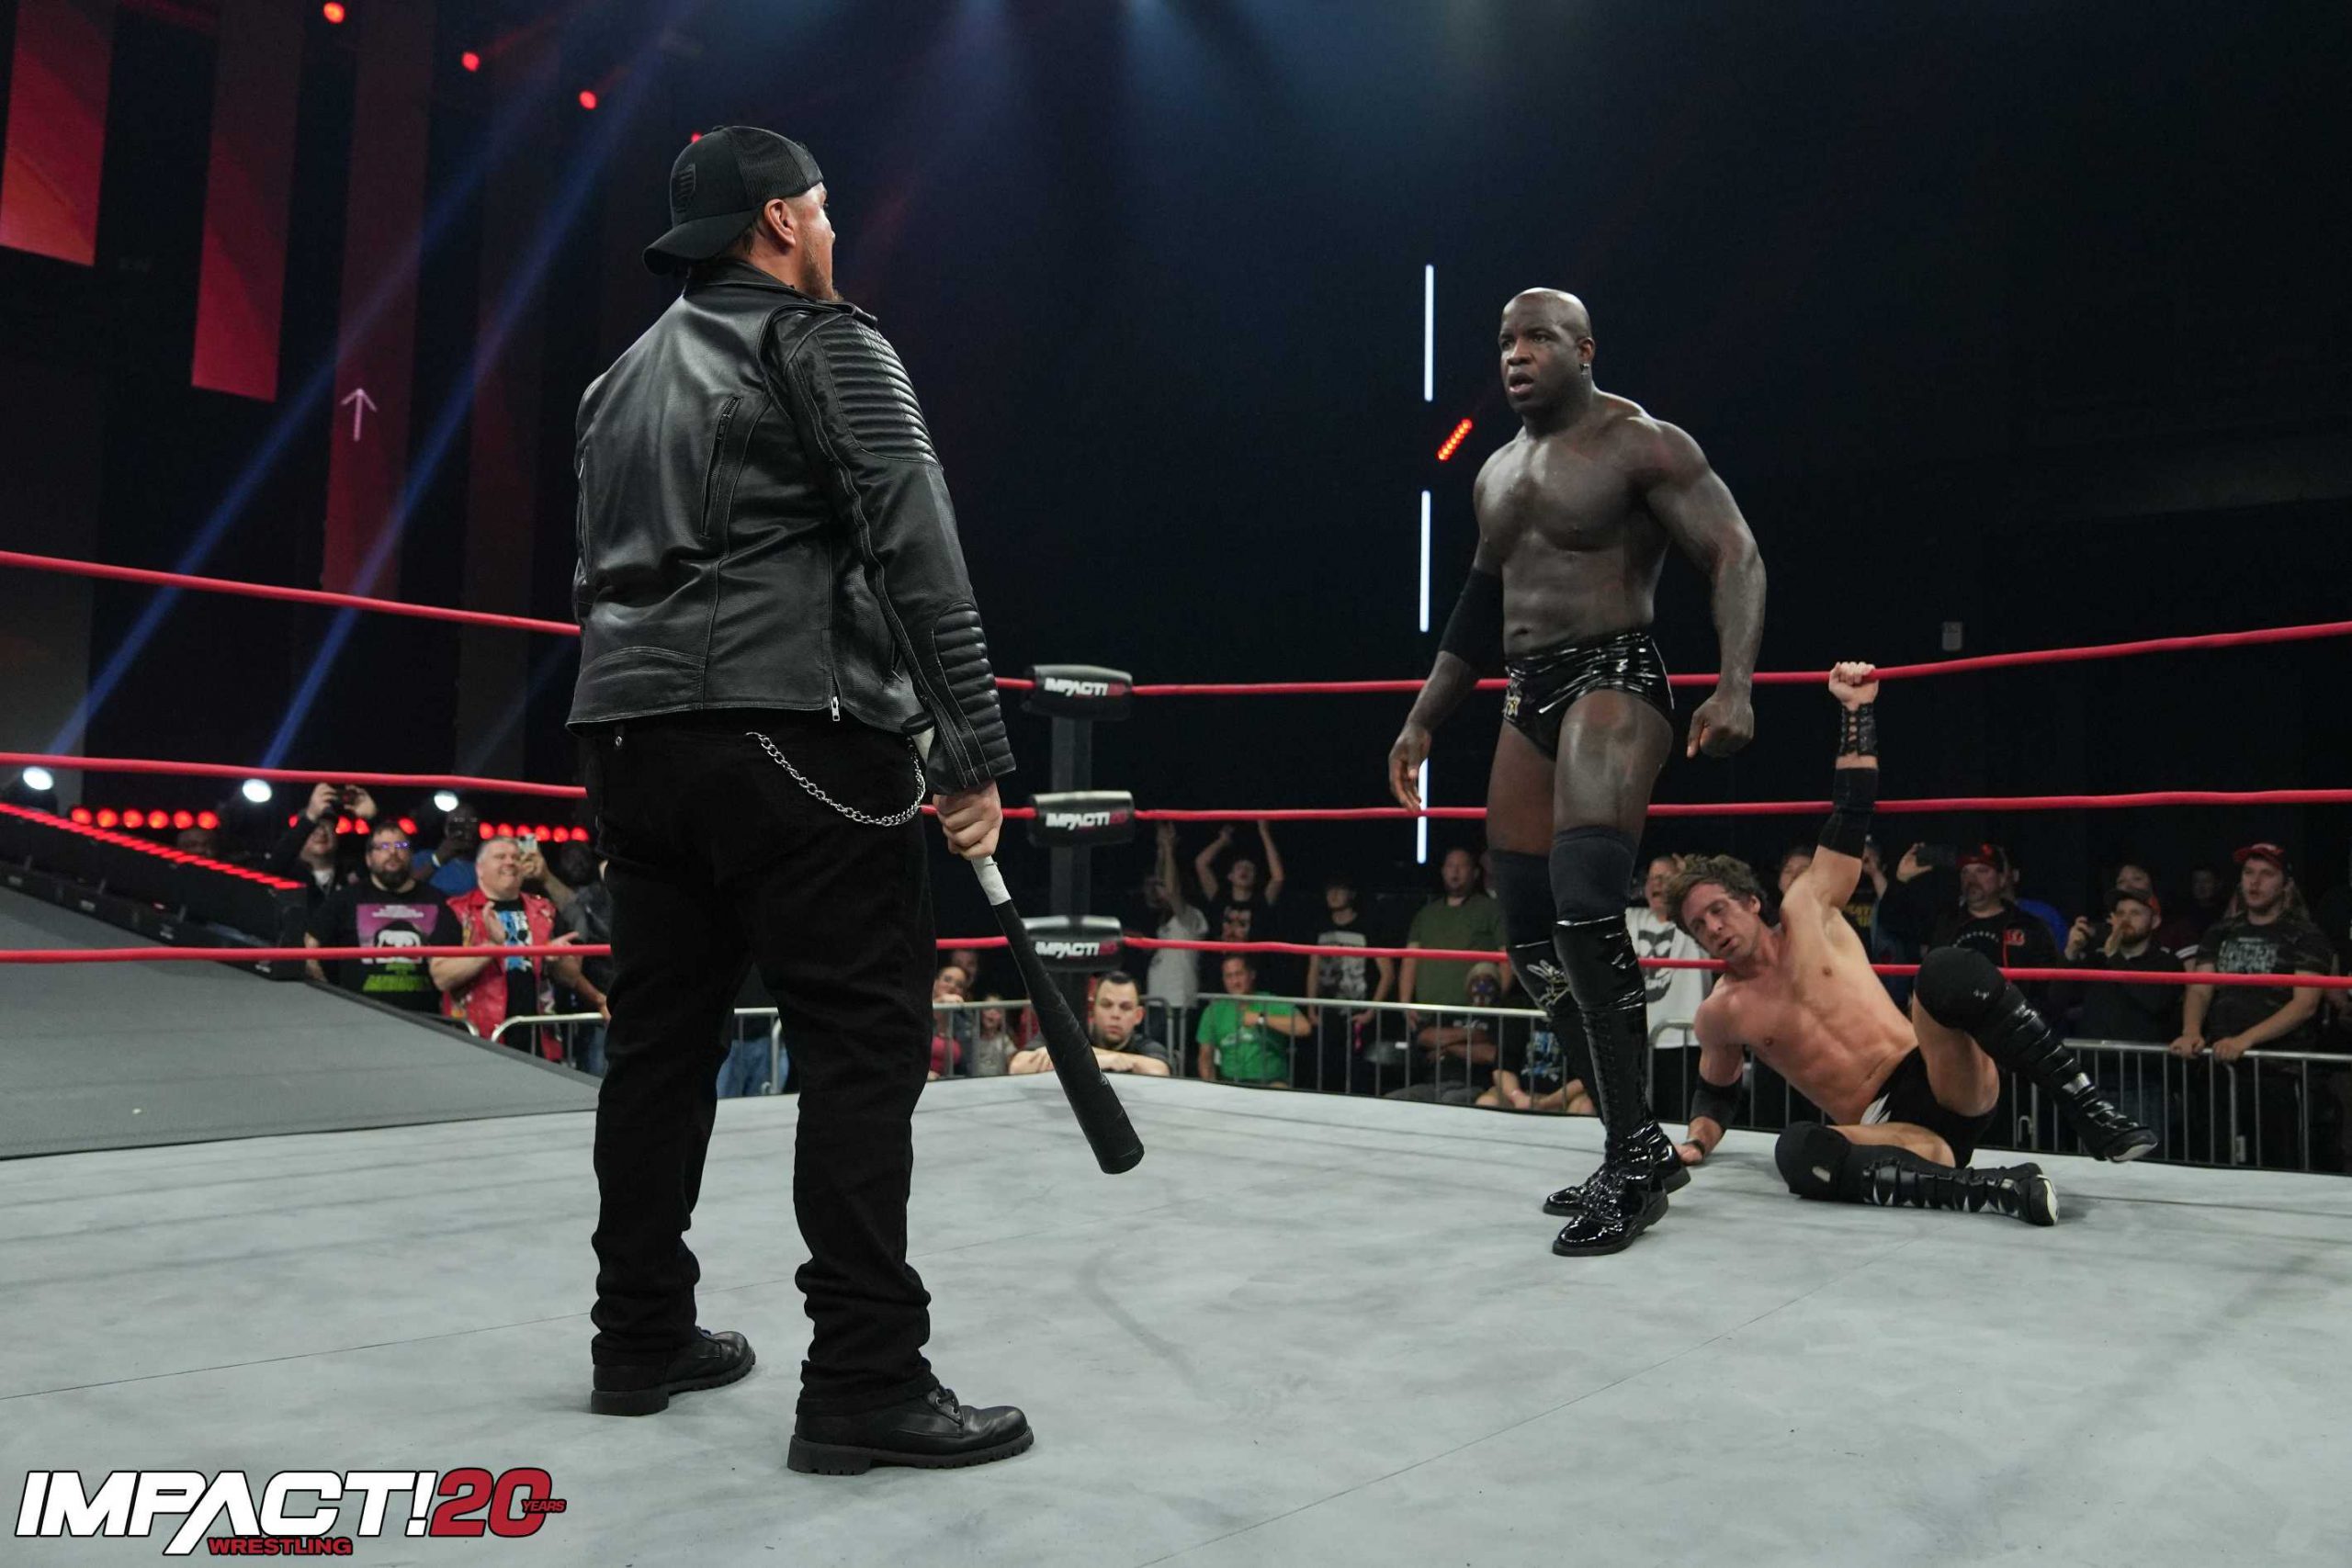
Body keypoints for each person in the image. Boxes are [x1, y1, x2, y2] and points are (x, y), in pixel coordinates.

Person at [568, 127, 1027, 1469]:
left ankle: (636, 1335)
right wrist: (972, 745)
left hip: (630, 738)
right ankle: (864, 1378)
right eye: (822, 210)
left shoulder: (611, 382)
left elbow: (593, 574)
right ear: (779, 219)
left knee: (659, 1045)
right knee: (863, 1045)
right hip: (794, 730)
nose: (831, 231)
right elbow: (914, 537)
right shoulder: (826, 340)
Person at [1389, 288, 1766, 1255]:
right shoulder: (1496, 472)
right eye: (1505, 341)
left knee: (1587, 909)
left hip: (1616, 674)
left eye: (1537, 338)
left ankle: (1632, 1158)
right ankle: (1637, 1142)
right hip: (1527, 692)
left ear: (1584, 349)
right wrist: (1423, 720)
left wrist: (1734, 684)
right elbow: (1477, 612)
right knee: (1529, 937)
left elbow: (1733, 551)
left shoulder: (1640, 444)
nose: (1515, 355)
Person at [1645, 665, 2154, 1230]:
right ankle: (1999, 1189)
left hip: (1940, 1074)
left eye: (1718, 909)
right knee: (1799, 1150)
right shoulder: (1721, 1012)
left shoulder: (1809, 908)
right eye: (1698, 924)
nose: (1712, 927)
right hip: (1890, 1129)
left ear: (1751, 901)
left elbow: (1850, 814)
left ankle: (2090, 1110)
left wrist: (1856, 712)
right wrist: (1696, 1142)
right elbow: (1715, 1093)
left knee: (1945, 968)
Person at [2170, 843, 2332, 1166]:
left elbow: (2305, 1004)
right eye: (2248, 873)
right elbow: (2200, 988)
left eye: (2266, 874)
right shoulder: (2222, 931)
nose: (2255, 882)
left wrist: (2246, 1040)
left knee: (2278, 1167)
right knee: (2218, 1162)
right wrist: (2191, 1031)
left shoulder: (2304, 935)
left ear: (2285, 884)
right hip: (2223, 1068)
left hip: (2278, 1071)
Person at [434, 837, 602, 1059]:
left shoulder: (545, 910)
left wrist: (557, 959)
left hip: (538, 1042)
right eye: (500, 857)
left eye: (516, 857)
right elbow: (441, 977)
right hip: (477, 1044)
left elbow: (570, 977)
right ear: (480, 869)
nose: (510, 862)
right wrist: (491, 948)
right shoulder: (457, 910)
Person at [305, 823, 458, 1016]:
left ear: (411, 855)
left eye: (401, 846)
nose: (393, 852)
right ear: (368, 859)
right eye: (383, 847)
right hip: (356, 1018)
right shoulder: (345, 899)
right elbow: (309, 944)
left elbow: (454, 964)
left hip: (424, 1019)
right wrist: (328, 995)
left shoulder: (438, 901)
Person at [1398, 848, 1510, 1018]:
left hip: (1475, 1012)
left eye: (1462, 866)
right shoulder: (1426, 914)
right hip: (1429, 1013)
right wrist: (1405, 1003)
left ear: (1475, 873)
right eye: (1450, 866)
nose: (1455, 871)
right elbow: (1410, 960)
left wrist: (1493, 1001)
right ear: (1443, 871)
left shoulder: (1491, 910)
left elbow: (1508, 959)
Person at [1387, 963, 1512, 1103]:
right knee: (1394, 1099)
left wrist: (1448, 1048)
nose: (1481, 987)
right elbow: (1425, 1037)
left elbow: (1491, 1054)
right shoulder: (1453, 1013)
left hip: (1474, 1085)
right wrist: (1472, 1034)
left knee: (1451, 1101)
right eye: (1476, 980)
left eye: (1488, 981)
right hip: (1434, 1084)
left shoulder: (1502, 1019)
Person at [1011, 972, 1171, 1077]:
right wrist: (1106, 1059)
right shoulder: (1067, 1036)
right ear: (1092, 1009)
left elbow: (1160, 1070)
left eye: (1125, 1007)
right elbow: (1017, 1066)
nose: (1115, 1014)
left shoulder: (1145, 1045)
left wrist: (1073, 1057)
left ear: (1138, 1016)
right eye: (1106, 1005)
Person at [1194, 954, 1310, 1087]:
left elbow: (1304, 1028)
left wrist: (1261, 1018)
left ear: (1252, 975)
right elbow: (1205, 1056)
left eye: (1239, 974)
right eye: (1229, 976)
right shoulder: (1214, 1010)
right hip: (1230, 1081)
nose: (1235, 981)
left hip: (1271, 1081)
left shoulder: (1270, 1002)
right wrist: (1212, 1089)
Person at [1139, 823, 1209, 1023]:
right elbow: (1161, 881)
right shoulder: (1164, 921)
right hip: (1158, 999)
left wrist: (1169, 849)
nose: (1157, 890)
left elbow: (1171, 890)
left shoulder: (1190, 917)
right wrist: (1162, 848)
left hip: (1178, 1001)